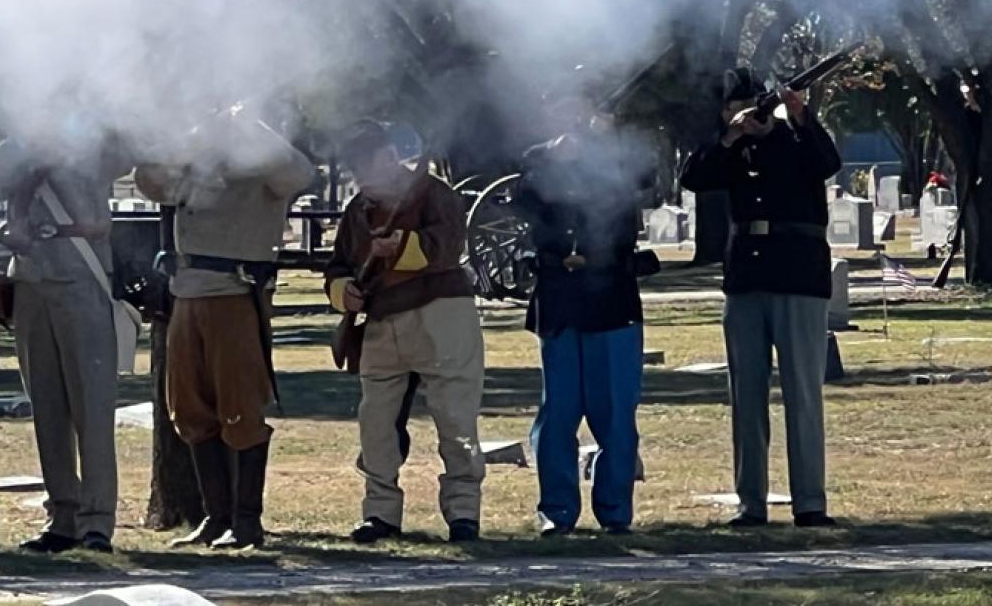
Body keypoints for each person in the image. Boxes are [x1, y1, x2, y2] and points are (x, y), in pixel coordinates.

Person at [135, 107, 314, 550]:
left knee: (240, 407)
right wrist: (191, 134)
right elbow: (147, 180)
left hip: (235, 291)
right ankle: (216, 518)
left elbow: (300, 175)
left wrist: (250, 127)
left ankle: (246, 522)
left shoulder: (266, 159)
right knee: (189, 408)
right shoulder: (192, 159)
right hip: (188, 292)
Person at [679, 67, 842, 529]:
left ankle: (810, 501)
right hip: (746, 279)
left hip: (798, 275)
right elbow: (694, 176)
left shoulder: (795, 138)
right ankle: (750, 502)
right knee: (746, 398)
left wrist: (799, 114)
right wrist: (729, 138)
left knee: (803, 395)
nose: (745, 114)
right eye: (734, 108)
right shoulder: (730, 151)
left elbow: (828, 163)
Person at [323, 121, 484, 545]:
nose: (362, 176)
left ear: (388, 156)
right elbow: (338, 267)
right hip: (381, 322)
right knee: (376, 423)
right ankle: (380, 514)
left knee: (456, 419)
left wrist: (403, 246)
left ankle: (464, 513)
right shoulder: (358, 210)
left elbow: (448, 246)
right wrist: (345, 293)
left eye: (367, 164)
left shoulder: (434, 194)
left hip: (441, 314)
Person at [0, 132, 127, 554]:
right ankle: (62, 516)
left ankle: (97, 519)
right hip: (30, 275)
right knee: (47, 407)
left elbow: (122, 156)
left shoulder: (95, 131)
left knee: (92, 408)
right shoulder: (19, 136)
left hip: (80, 271)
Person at [513, 116, 654, 536]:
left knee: (615, 412)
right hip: (560, 299)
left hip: (611, 295)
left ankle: (615, 511)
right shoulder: (540, 159)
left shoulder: (621, 152)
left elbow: (648, 176)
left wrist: (606, 141)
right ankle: (556, 511)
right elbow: (521, 199)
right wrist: (559, 157)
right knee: (558, 412)